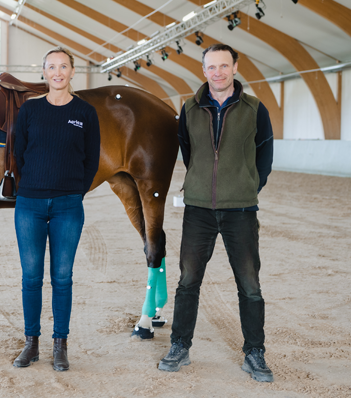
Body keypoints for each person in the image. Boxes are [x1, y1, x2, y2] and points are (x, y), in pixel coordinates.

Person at [158, 43, 274, 383]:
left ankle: (254, 352)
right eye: (212, 67)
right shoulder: (190, 109)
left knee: (249, 285)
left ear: (235, 67)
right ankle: (180, 345)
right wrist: (200, 185)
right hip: (199, 210)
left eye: (224, 66)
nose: (218, 72)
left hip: (240, 210)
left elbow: (264, 156)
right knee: (188, 282)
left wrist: (247, 186)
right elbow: (188, 153)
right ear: (204, 70)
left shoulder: (255, 108)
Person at [12, 47, 100, 371]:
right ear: (44, 72)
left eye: (64, 66)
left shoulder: (86, 113)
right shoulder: (30, 111)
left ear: (72, 71)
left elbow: (92, 160)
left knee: (62, 277)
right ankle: (31, 343)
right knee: (31, 277)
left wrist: (75, 190)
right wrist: (34, 185)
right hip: (29, 205)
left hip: (68, 206)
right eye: (52, 67)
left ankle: (60, 344)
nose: (58, 72)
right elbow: (19, 154)